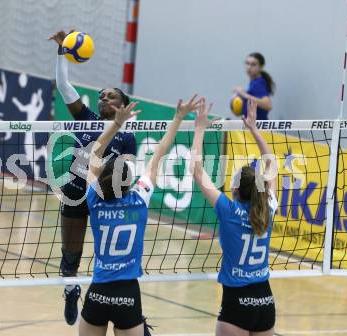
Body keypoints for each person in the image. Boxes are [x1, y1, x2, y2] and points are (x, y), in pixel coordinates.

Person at [81, 95, 202, 336]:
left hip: (98, 292)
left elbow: (93, 155)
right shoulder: (139, 199)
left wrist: (116, 123)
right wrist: (178, 118)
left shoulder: (94, 199)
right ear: (128, 182)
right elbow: (159, 154)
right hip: (127, 294)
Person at [49, 30, 137, 325]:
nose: (103, 97)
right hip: (75, 192)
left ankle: (121, 308)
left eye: (110, 95)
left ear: (122, 104)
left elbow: (128, 176)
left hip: (104, 199)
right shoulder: (87, 117)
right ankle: (71, 290)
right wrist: (62, 50)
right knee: (69, 259)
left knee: (110, 261)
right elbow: (63, 85)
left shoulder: (127, 137)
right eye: (101, 94)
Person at [191, 99, 278, 335]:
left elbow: (197, 171)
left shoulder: (228, 210)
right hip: (265, 302)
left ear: (236, 190)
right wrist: (254, 129)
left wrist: (199, 128)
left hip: (236, 303)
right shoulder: (268, 207)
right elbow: (272, 164)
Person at [233, 52, 275, 120]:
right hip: (252, 127)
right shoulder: (254, 82)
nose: (249, 67)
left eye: (253, 64)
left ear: (261, 67)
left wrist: (244, 94)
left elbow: (268, 105)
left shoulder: (258, 84)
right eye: (247, 63)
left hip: (259, 129)